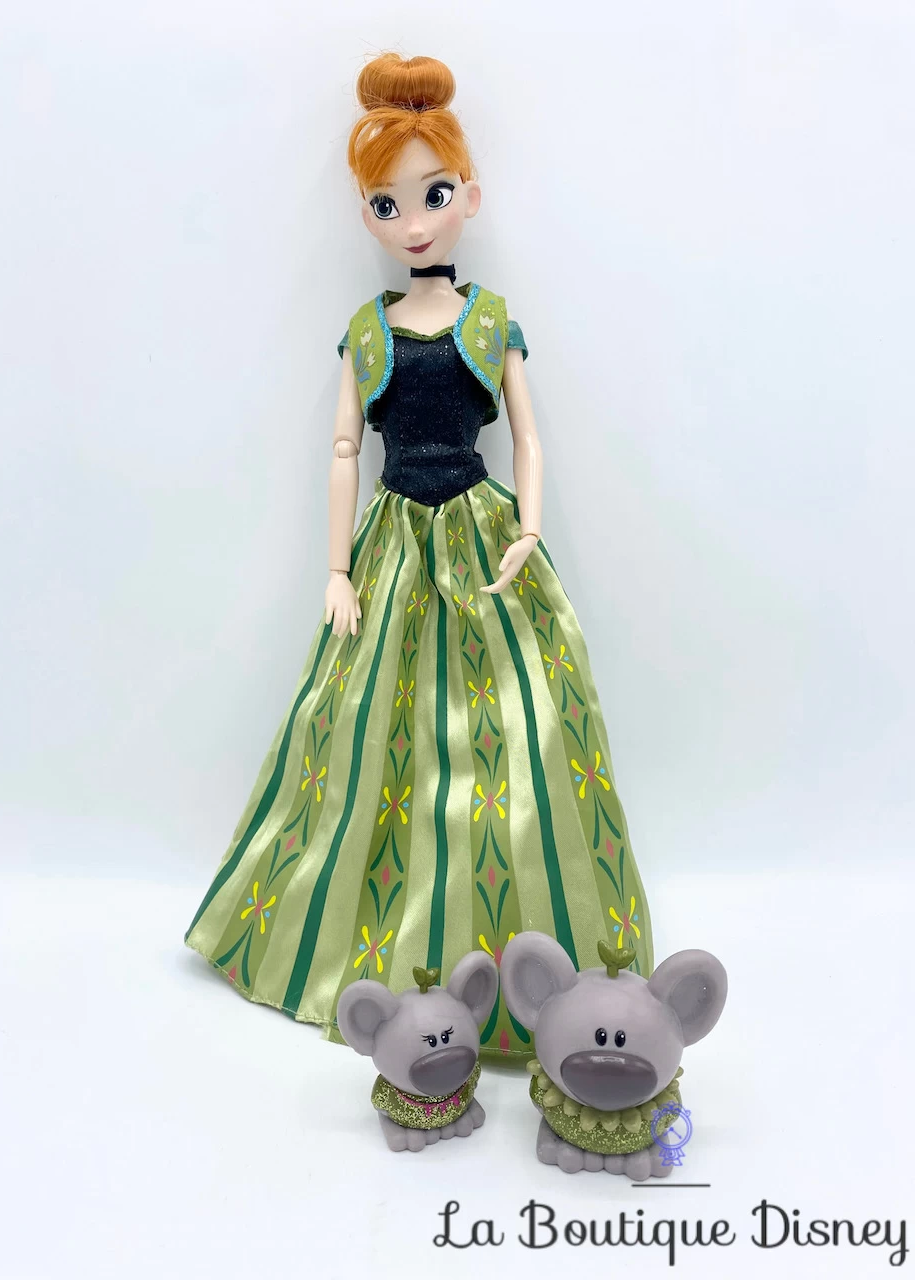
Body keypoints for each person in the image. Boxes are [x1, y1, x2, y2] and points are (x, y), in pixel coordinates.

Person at [185, 52, 653, 1060]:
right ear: (367, 216)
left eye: (433, 195)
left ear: (468, 197)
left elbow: (528, 437)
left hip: (483, 540)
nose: (413, 221)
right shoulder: (368, 332)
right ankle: (358, 939)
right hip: (394, 541)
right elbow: (343, 451)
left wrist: (529, 529)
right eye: (388, 203)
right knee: (367, 732)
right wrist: (335, 570)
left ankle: (532, 949)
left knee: (511, 732)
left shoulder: (491, 322)